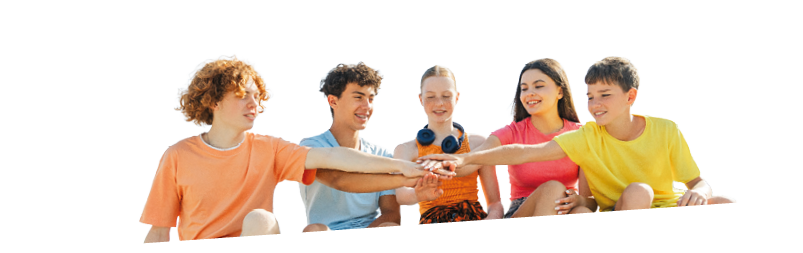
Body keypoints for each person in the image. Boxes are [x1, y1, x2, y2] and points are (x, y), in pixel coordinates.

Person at [140, 55, 453, 243]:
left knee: (260, 220)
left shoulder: (270, 149)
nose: (255, 105)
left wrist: (404, 168)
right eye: (242, 96)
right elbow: (158, 232)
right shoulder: (177, 156)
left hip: (256, 239)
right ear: (214, 101)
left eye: (256, 96)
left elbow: (335, 158)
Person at [420, 56, 735, 213]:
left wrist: (703, 193)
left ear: (630, 97)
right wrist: (464, 158)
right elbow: (524, 152)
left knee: (725, 202)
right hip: (624, 210)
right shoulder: (587, 137)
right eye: (590, 96)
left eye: (604, 95)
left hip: (667, 209)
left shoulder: (666, 129)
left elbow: (698, 182)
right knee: (639, 191)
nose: (595, 104)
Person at [298, 62, 428, 232]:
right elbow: (339, 179)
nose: (367, 106)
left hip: (369, 234)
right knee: (314, 230)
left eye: (371, 98)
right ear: (333, 101)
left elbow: (392, 214)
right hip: (326, 234)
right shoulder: (311, 148)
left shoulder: (382, 155)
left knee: (390, 228)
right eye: (358, 97)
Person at [471, 58, 595, 218]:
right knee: (554, 189)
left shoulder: (581, 134)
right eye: (524, 88)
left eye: (538, 86)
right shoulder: (511, 132)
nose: (529, 93)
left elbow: (589, 200)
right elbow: (477, 157)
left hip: (565, 209)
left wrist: (580, 201)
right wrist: (451, 162)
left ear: (560, 92)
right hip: (520, 211)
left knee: (582, 212)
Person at [394, 65, 504, 224]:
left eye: (446, 96)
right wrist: (418, 194)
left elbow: (495, 203)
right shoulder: (406, 149)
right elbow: (402, 196)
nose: (439, 103)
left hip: (474, 219)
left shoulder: (478, 143)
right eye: (431, 97)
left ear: (457, 97)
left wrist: (489, 222)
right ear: (420, 99)